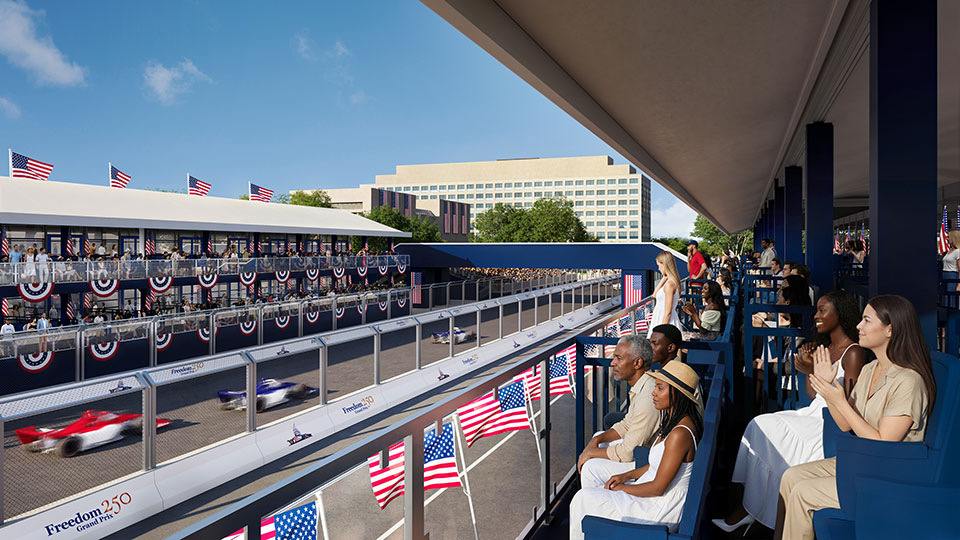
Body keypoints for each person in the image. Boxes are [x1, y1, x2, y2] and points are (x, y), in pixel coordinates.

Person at [775, 295, 936, 540]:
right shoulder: (871, 369)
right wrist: (826, 387)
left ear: (890, 329)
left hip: (889, 475)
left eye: (866, 320)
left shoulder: (909, 381)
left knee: (802, 492)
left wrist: (839, 399)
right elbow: (844, 423)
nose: (858, 326)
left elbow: (883, 443)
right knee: (789, 477)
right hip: (861, 463)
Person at [715, 290, 866, 533]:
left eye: (822, 310)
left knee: (766, 429)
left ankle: (754, 511)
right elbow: (812, 394)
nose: (816, 315)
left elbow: (847, 403)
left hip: (829, 422)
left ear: (840, 314)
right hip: (814, 410)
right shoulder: (825, 348)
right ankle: (751, 508)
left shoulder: (854, 353)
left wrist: (817, 375)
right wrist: (808, 370)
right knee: (758, 426)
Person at [569, 361, 703, 538]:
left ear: (677, 393)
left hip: (659, 509)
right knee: (589, 497)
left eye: (660, 388)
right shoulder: (675, 422)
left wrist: (622, 488)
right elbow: (658, 465)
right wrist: (626, 476)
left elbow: (658, 488)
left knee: (582, 499)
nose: (654, 393)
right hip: (655, 499)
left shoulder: (680, 434)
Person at [578, 336, 657, 485]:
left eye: (618, 358)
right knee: (599, 436)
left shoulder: (648, 397)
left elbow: (628, 452)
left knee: (590, 468)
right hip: (645, 453)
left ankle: (597, 504)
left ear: (637, 363)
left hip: (647, 463)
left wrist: (590, 453)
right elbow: (627, 424)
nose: (613, 363)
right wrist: (597, 440)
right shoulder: (643, 385)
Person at [651, 252, 681, 328]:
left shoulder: (669, 285)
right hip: (662, 318)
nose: (658, 269)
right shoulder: (672, 282)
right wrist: (664, 278)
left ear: (664, 264)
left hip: (664, 320)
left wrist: (662, 330)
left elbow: (668, 312)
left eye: (659, 265)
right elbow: (654, 295)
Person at [942, 230, 960, 308]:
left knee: (951, 302)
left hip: (952, 278)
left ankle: (952, 319)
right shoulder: (949, 250)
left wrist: (959, 284)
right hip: (945, 277)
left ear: (953, 238)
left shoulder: (958, 251)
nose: (946, 238)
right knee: (944, 301)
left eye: (948, 237)